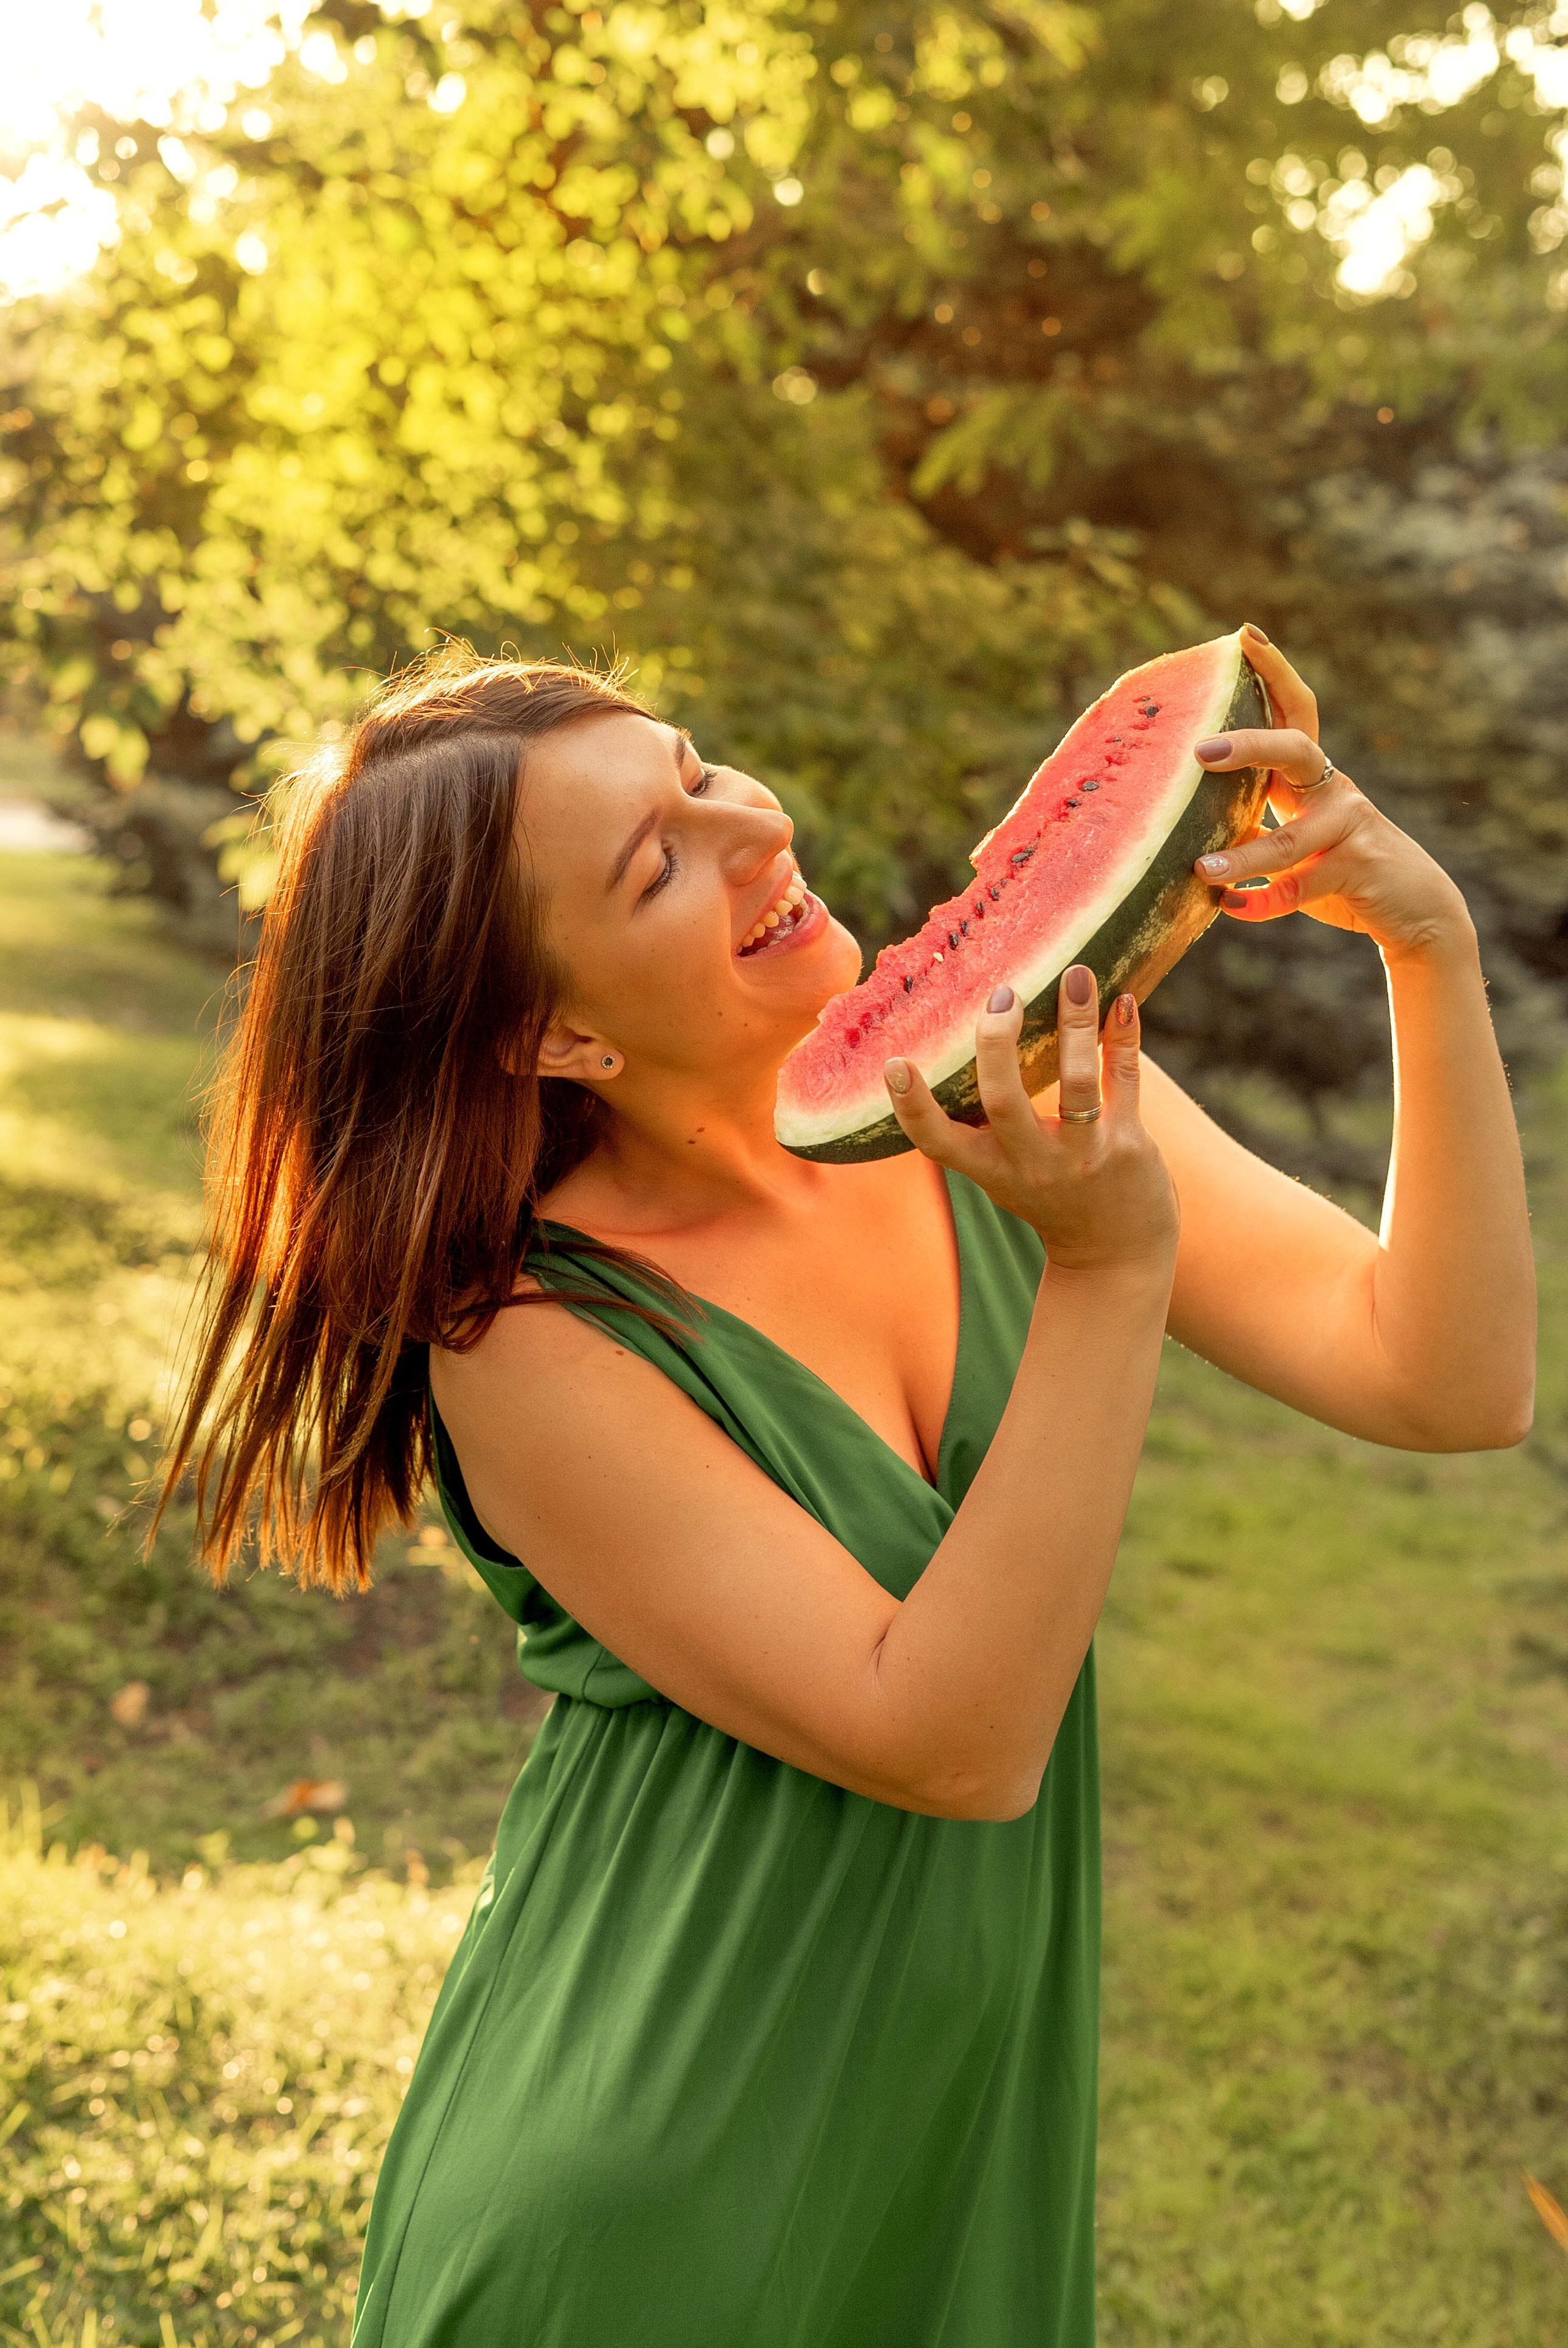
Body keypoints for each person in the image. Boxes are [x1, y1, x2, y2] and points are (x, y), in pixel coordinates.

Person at [160, 628, 1535, 2347]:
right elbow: (952, 1736)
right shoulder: (524, 1339)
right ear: (553, 1029)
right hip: (641, 2189)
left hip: (951, 2137)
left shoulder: (1017, 1094)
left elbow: (1449, 1376)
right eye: (659, 862)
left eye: (698, 767)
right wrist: (1105, 1274)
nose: (755, 831)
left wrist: (1432, 951)